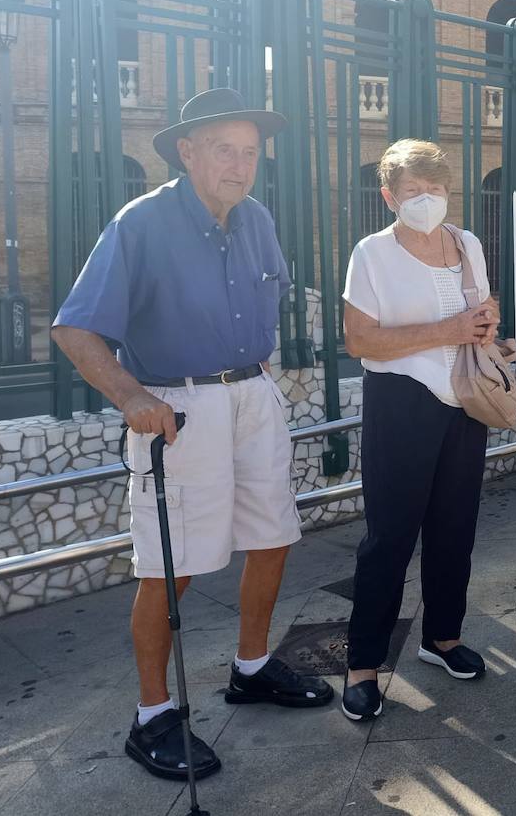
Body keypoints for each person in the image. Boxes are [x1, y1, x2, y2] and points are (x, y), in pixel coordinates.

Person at [51, 87, 333, 783]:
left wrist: (257, 386)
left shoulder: (258, 218)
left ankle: (252, 665)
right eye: (224, 150)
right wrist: (133, 396)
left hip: (252, 394)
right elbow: (75, 327)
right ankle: (152, 715)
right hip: (178, 409)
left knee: (272, 537)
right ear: (187, 150)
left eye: (250, 152)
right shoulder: (140, 224)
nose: (240, 165)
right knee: (169, 567)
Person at [339, 139, 500, 721]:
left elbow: (484, 307)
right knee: (389, 536)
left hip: (463, 399)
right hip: (401, 401)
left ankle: (443, 638)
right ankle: (362, 666)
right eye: (413, 191)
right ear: (389, 197)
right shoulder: (372, 255)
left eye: (435, 190)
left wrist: (485, 320)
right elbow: (360, 340)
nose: (426, 200)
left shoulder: (468, 245)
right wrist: (449, 328)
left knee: (456, 527)